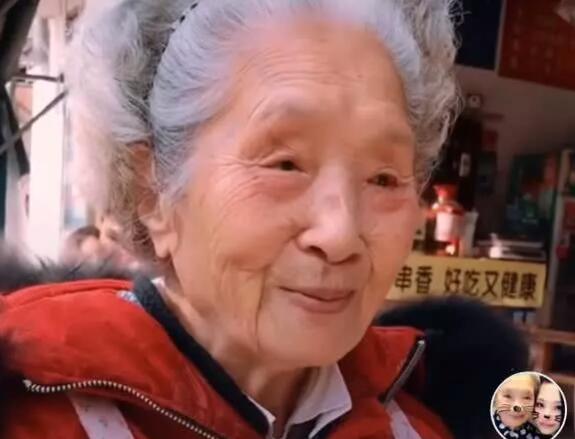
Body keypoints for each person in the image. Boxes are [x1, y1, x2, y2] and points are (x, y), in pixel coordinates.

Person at [0, 0, 528, 438]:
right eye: (285, 165)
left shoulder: (431, 419)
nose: (340, 234)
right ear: (152, 192)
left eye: (384, 178)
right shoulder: (37, 415)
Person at [492, 373, 539, 438]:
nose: (517, 406)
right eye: (508, 396)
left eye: (526, 397)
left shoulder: (537, 431)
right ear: (495, 397)